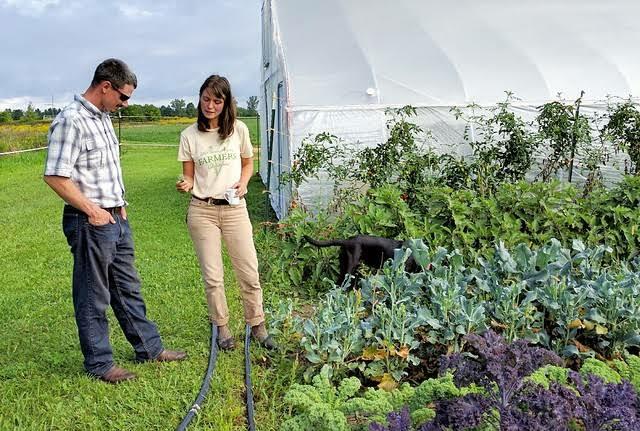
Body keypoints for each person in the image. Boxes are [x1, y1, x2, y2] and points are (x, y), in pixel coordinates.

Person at [43, 58, 187, 384]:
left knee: (128, 288)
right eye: (123, 97)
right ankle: (99, 363)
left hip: (116, 217)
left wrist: (119, 206)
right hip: (90, 221)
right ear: (105, 86)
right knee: (93, 294)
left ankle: (149, 348)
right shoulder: (72, 120)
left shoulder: (105, 117)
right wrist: (93, 211)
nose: (124, 105)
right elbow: (55, 176)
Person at [176, 74, 276, 351]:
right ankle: (222, 327)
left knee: (249, 270)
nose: (210, 105)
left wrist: (244, 183)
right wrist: (186, 184)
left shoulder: (239, 131)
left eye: (217, 101)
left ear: (226, 103)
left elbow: (248, 164)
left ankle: (258, 325)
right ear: (199, 99)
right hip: (202, 211)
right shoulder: (188, 135)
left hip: (234, 210)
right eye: (206, 99)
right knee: (213, 276)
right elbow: (190, 177)